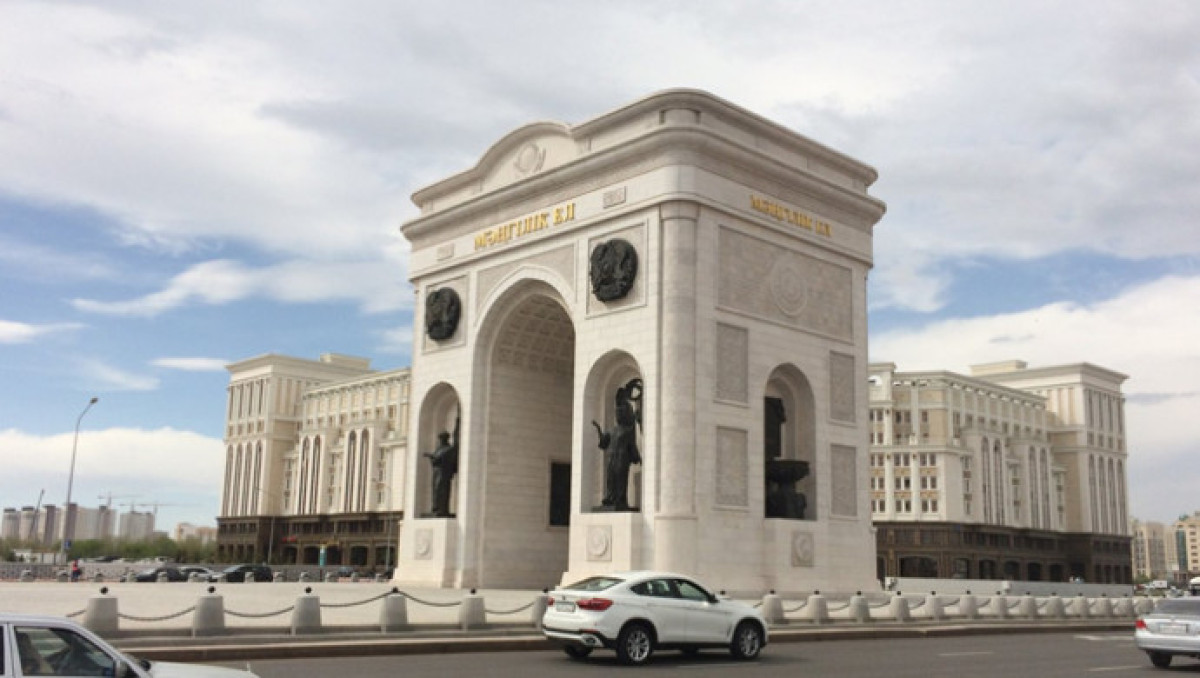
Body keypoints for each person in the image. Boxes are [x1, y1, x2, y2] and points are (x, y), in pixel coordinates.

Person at [592, 378, 642, 511]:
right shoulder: (612, 430)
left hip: (622, 459)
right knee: (611, 479)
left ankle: (621, 500)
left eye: (621, 413)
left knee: (621, 480)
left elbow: (632, 444)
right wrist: (598, 430)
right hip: (612, 459)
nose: (619, 415)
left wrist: (637, 457)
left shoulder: (627, 430)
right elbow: (603, 443)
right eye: (618, 413)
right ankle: (610, 498)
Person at [424, 416, 459, 517]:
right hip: (436, 472)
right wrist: (432, 457)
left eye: (441, 439)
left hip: (443, 474)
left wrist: (433, 457)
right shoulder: (439, 449)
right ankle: (435, 508)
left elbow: (445, 460)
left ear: (445, 439)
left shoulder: (449, 449)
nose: (440, 441)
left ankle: (442, 509)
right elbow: (435, 459)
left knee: (442, 491)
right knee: (435, 490)